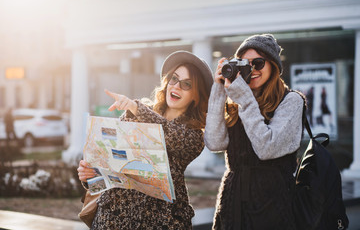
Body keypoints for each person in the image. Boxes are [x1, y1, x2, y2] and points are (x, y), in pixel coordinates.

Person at [77, 50, 214, 229]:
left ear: (196, 96)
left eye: (187, 84)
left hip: (161, 222)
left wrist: (136, 107)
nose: (177, 86)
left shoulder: (194, 135)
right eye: (174, 78)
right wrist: (89, 176)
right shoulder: (135, 114)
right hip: (113, 219)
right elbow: (111, 164)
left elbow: (167, 134)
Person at [204, 34, 305, 229]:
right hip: (233, 202)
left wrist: (245, 99)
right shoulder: (237, 102)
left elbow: (266, 148)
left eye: (258, 63)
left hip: (273, 201)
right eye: (244, 63)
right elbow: (214, 143)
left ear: (273, 66)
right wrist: (218, 90)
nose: (251, 70)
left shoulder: (291, 101)